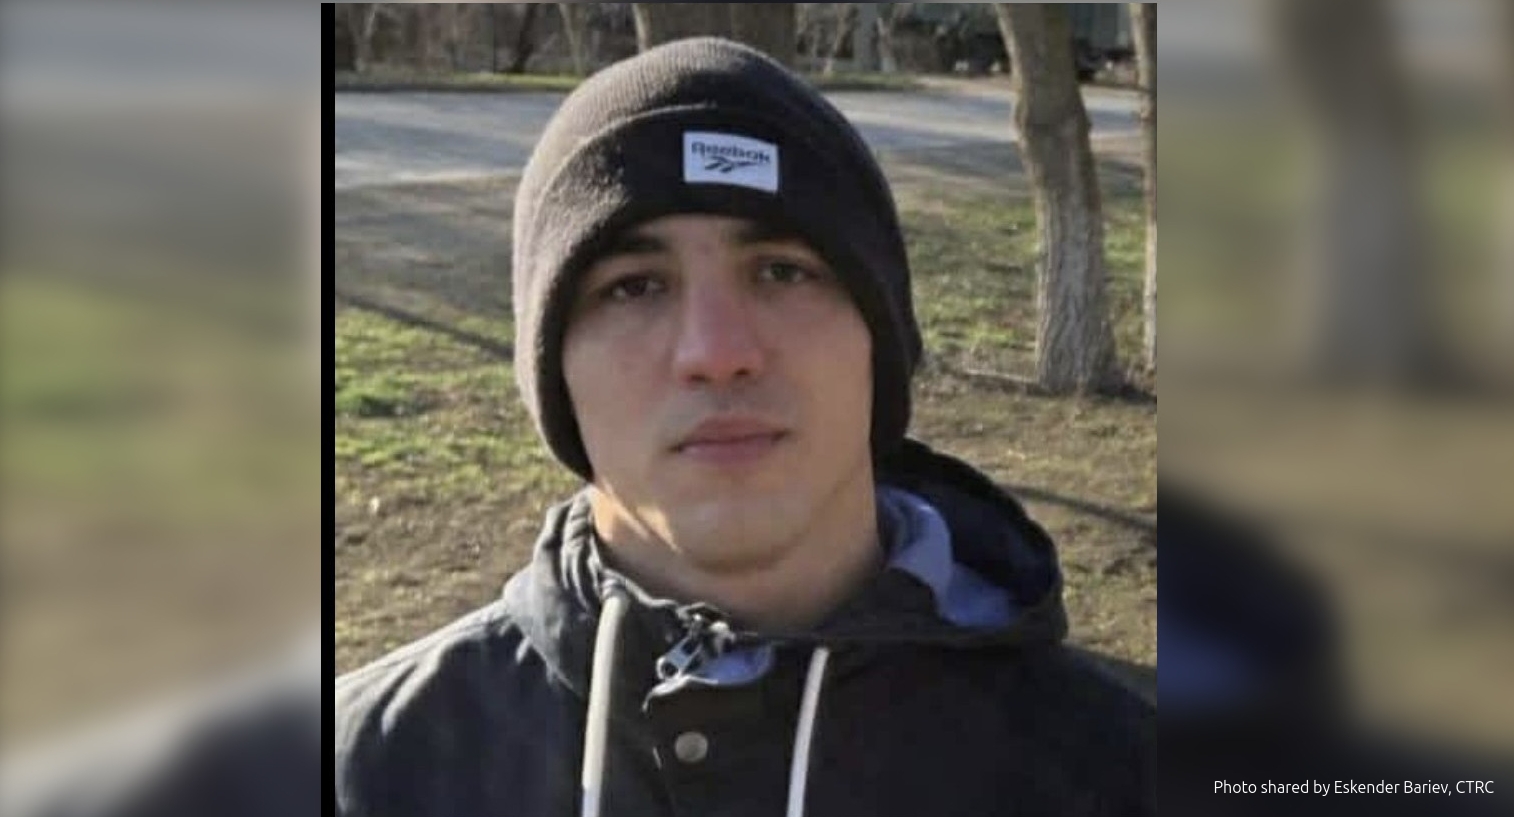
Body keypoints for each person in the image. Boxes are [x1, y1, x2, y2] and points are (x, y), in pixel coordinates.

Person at [335, 37, 1155, 817]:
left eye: (782, 271)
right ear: (554, 370)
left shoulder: (1128, 774)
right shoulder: (361, 770)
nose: (716, 353)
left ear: (882, 340)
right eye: (633, 285)